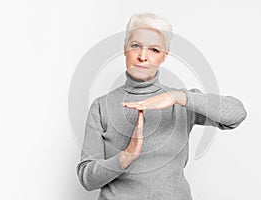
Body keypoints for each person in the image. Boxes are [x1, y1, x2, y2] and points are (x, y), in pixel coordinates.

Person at [76, 13, 247, 199]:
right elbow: (87, 179)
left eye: (154, 50)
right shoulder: (101, 106)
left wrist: (179, 97)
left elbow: (237, 114)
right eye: (135, 46)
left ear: (164, 56)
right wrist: (126, 156)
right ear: (125, 48)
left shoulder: (181, 102)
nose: (143, 56)